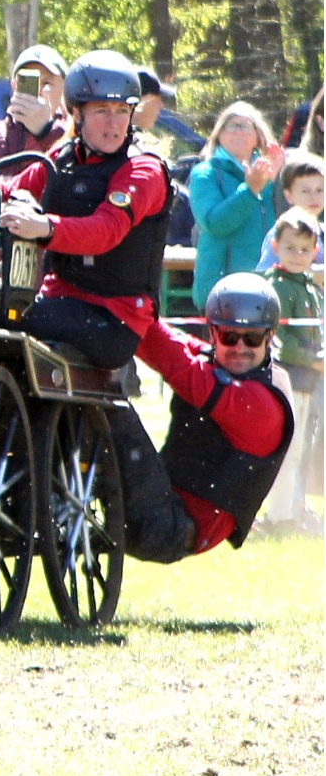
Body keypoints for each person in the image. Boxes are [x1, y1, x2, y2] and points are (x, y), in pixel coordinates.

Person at [0, 50, 173, 369]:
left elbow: (105, 231)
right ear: (75, 112)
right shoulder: (63, 158)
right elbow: (7, 191)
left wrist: (44, 227)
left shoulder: (143, 170)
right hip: (60, 301)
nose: (114, 123)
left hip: (113, 320)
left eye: (121, 110)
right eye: (101, 110)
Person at [110, 273, 293, 561]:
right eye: (229, 336)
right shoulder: (225, 362)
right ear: (212, 333)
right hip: (162, 505)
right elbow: (176, 342)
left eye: (253, 337)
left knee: (111, 409)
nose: (240, 347)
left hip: (171, 527)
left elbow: (179, 366)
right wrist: (125, 305)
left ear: (270, 337)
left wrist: (124, 304)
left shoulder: (261, 405)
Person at [257, 209, 323, 532]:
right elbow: (277, 340)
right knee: (287, 452)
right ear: (275, 247)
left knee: (301, 452)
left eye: (305, 249)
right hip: (287, 381)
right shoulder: (278, 286)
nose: (298, 256)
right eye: (290, 248)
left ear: (315, 251)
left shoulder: (310, 287)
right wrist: (313, 359)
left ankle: (292, 513)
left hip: (308, 382)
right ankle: (279, 518)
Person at [189, 101, 284, 311]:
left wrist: (275, 181)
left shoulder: (269, 175)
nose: (238, 131)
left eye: (246, 125)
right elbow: (215, 223)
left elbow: (287, 224)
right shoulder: (205, 173)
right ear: (219, 135)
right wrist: (250, 191)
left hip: (266, 288)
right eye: (231, 125)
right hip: (220, 290)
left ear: (259, 136)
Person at [0, 44, 69, 161]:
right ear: (14, 87)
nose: (38, 91)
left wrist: (46, 132)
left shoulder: (77, 140)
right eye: (29, 82)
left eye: (46, 83)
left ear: (64, 89)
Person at [254, 152, 324, 270]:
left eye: (319, 190)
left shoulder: (322, 230)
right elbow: (265, 276)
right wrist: (311, 276)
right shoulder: (281, 232)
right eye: (305, 191)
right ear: (288, 196)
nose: (313, 197)